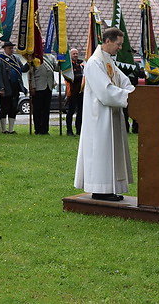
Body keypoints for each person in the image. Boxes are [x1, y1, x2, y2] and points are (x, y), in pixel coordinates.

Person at [74, 27, 135, 202]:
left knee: (111, 151)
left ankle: (109, 187)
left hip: (111, 114)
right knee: (101, 152)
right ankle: (100, 189)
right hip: (98, 117)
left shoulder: (108, 60)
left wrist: (132, 91)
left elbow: (123, 80)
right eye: (118, 44)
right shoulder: (94, 62)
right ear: (107, 41)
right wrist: (127, 96)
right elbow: (105, 91)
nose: (120, 48)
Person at [0, 41, 29, 134]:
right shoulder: (0, 59)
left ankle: (11, 129)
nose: (11, 50)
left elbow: (22, 69)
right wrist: (1, 88)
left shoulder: (16, 59)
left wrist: (29, 63)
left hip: (15, 87)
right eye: (9, 48)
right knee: (5, 108)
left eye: (12, 48)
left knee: (13, 108)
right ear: (4, 49)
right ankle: (3, 129)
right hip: (6, 87)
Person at [32, 53, 57, 135]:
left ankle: (45, 130)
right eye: (41, 44)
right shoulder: (34, 57)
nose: (42, 45)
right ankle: (38, 129)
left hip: (49, 86)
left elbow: (57, 68)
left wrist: (61, 60)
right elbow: (31, 73)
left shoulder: (51, 57)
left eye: (43, 44)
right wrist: (32, 86)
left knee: (46, 110)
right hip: (38, 86)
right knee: (37, 110)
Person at [65, 48, 84, 136]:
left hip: (81, 91)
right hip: (72, 92)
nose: (76, 55)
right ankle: (69, 130)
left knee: (80, 112)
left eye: (76, 54)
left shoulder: (81, 65)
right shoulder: (69, 66)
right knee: (71, 112)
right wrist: (82, 76)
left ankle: (79, 130)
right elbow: (70, 77)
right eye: (74, 54)